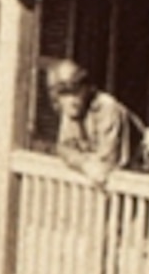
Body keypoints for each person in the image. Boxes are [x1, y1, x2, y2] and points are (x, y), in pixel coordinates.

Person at [45, 55, 141, 184]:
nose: (72, 100)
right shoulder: (71, 111)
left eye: (77, 91)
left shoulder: (106, 107)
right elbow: (65, 149)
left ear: (86, 88)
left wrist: (83, 161)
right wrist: (84, 163)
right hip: (130, 174)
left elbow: (107, 161)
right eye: (64, 94)